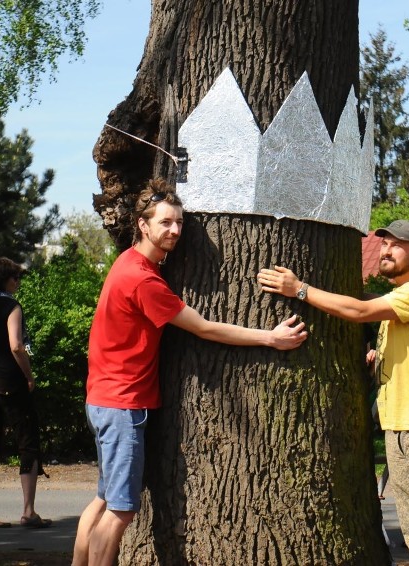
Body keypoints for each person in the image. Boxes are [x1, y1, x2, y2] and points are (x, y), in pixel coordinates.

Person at [72, 179, 307, 566]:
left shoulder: (128, 263)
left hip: (105, 400)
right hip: (122, 406)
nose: (175, 230)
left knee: (103, 500)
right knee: (121, 511)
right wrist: (270, 338)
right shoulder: (143, 280)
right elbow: (204, 327)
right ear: (142, 225)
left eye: (179, 222)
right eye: (165, 222)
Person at [257, 219, 409, 566]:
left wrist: (301, 289)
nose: (386, 250)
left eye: (397, 245)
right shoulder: (405, 296)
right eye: (384, 243)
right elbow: (372, 306)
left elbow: (360, 310)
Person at [0, 257, 52, 529]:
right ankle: (29, 511)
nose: (18, 282)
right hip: (10, 381)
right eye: (16, 277)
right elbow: (17, 345)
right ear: (6, 279)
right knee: (27, 441)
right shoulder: (12, 306)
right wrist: (29, 375)